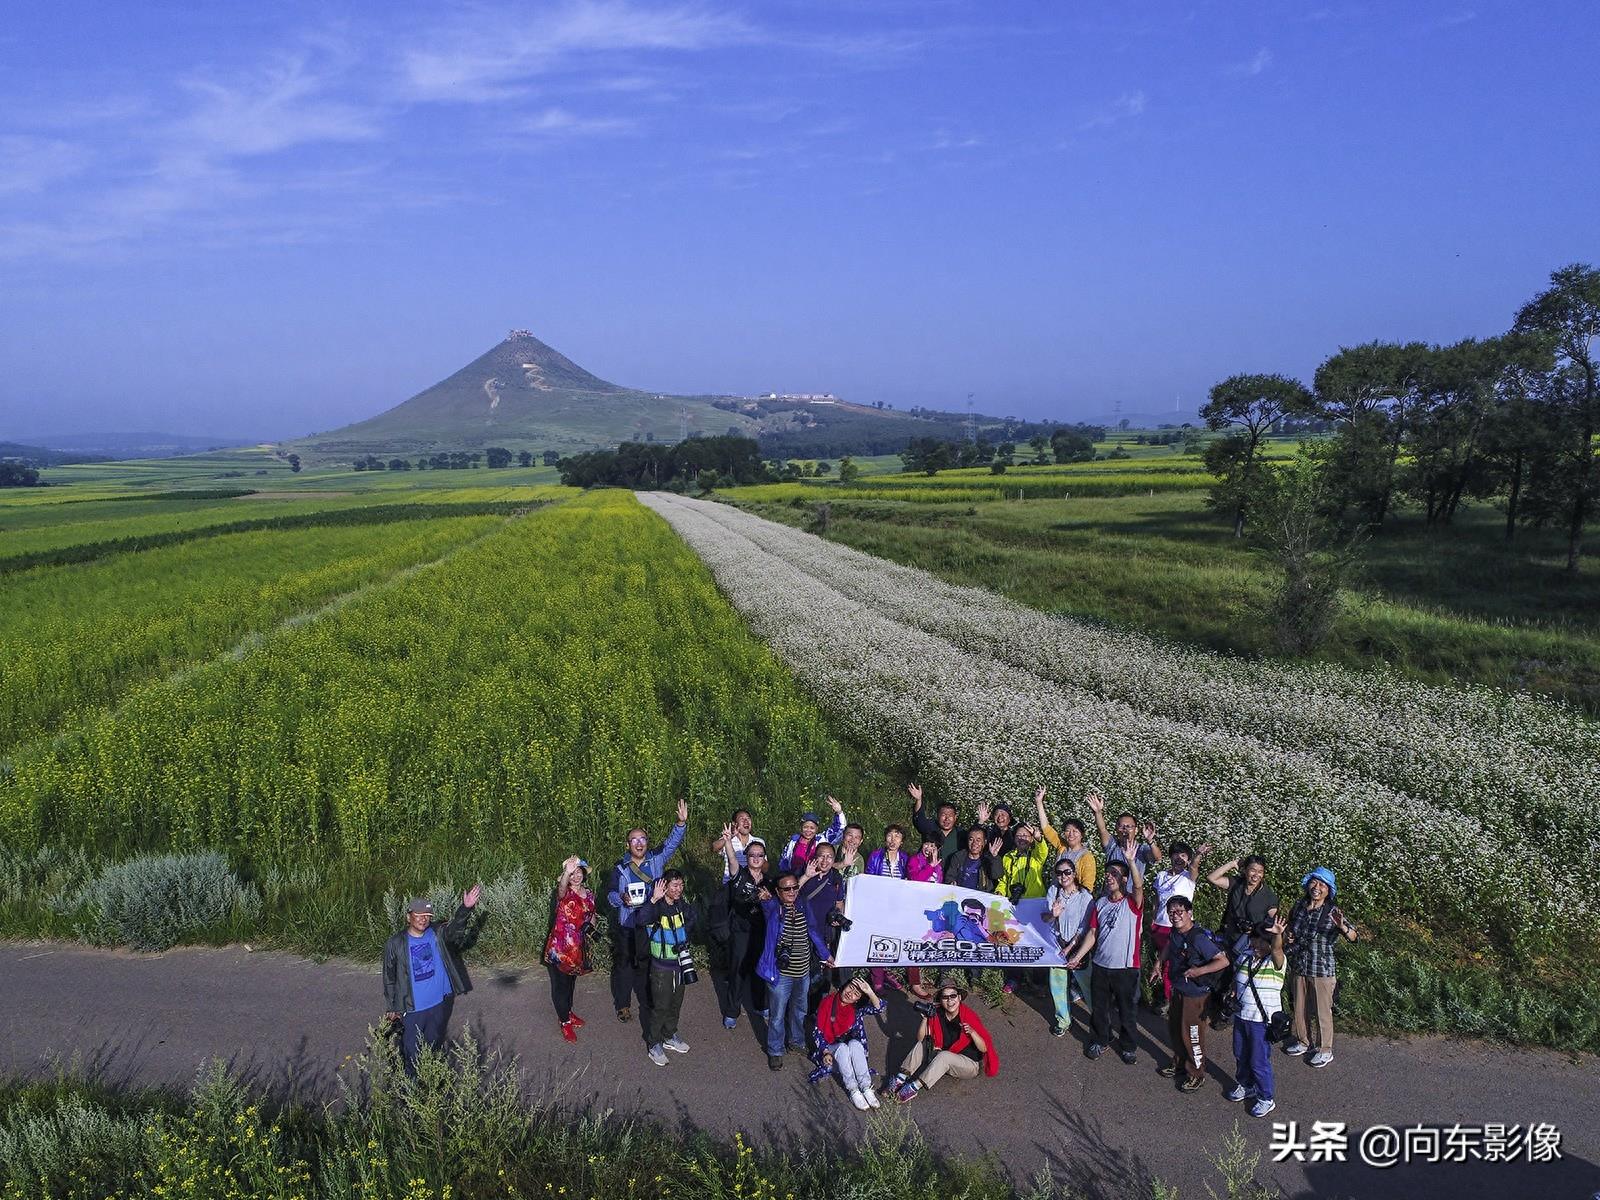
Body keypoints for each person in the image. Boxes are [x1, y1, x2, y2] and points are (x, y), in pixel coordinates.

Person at [382, 886, 484, 1076]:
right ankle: (409, 1095)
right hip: (413, 1009)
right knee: (411, 1054)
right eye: (419, 915)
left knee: (433, 1046)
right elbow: (389, 976)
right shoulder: (395, 944)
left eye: (427, 915)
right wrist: (392, 1007)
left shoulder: (438, 933)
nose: (424, 919)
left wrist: (465, 908)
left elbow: (455, 931)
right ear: (408, 917)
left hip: (438, 1004)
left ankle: (430, 1086)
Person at [607, 799, 689, 1024]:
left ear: (647, 842)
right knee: (624, 964)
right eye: (634, 840)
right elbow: (610, 894)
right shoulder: (620, 868)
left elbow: (671, 844)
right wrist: (621, 899)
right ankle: (623, 1004)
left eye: (642, 839)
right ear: (627, 845)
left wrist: (680, 824)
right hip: (628, 923)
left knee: (647, 963)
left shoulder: (656, 859)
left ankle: (647, 999)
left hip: (652, 921)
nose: (639, 843)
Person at [1067, 859, 1144, 1064]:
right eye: (1108, 873)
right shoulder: (1100, 903)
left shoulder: (1132, 903)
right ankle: (1101, 1039)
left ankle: (1128, 1046)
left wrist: (1130, 861)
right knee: (1099, 1009)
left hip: (1126, 968)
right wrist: (1077, 957)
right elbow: (1092, 933)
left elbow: (1138, 886)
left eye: (1115, 873)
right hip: (1101, 966)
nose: (1109, 876)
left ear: (1124, 879)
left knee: (1127, 1011)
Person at [1151, 895, 1227, 1092]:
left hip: (1195, 994)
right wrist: (1159, 964)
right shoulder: (1176, 933)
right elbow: (1169, 946)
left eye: (1179, 912)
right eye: (1171, 912)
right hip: (1178, 989)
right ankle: (1179, 1063)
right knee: (1175, 1029)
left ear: (1190, 913)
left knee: (1192, 1034)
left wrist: (1199, 971)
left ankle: (1196, 1073)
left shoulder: (1198, 937)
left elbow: (1222, 961)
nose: (1175, 916)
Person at [1282, 866, 1356, 1067]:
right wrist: (1287, 937)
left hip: (1321, 969)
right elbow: (1290, 930)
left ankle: (1325, 1049)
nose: (1317, 887)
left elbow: (1353, 937)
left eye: (1323, 884)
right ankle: (1303, 1041)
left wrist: (1342, 927)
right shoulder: (1299, 906)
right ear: (1308, 884)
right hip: (1299, 964)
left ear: (1329, 890)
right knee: (1299, 1006)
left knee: (1323, 1011)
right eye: (1314, 882)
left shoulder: (1332, 912)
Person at [759, 872, 833, 1070]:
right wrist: (767, 900)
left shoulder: (802, 904)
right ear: (778, 892)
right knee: (777, 1015)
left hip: (803, 972)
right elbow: (767, 906)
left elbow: (814, 932)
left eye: (795, 888)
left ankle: (796, 1042)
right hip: (780, 973)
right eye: (786, 889)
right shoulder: (774, 908)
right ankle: (775, 1050)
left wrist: (825, 954)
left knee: (800, 1011)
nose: (792, 892)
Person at [885, 980, 999, 1103]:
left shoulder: (969, 1017)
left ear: (959, 997)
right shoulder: (937, 1013)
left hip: (969, 1065)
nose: (950, 1001)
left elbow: (984, 1048)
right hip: (944, 1057)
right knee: (924, 1044)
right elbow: (920, 1039)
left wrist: (973, 1032)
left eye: (953, 996)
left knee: (945, 1056)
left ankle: (913, 1088)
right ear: (940, 1000)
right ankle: (900, 1079)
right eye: (945, 997)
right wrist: (924, 1020)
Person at [637, 869, 697, 1067]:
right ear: (664, 887)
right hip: (661, 967)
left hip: (680, 963)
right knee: (661, 1006)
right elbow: (641, 919)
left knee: (676, 1003)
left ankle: (670, 1034)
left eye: (681, 885)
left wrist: (684, 937)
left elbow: (693, 916)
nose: (679, 889)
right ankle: (654, 1043)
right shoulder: (655, 908)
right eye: (674, 885)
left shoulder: (681, 905)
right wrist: (654, 899)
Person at [1230, 915, 1288, 1118]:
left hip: (1261, 1020)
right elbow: (1238, 978)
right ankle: (1246, 1085)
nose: (1257, 944)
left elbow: (1279, 951)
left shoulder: (1275, 962)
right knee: (1240, 1053)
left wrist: (1278, 936)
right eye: (1255, 939)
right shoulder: (1245, 956)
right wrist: (1234, 992)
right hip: (1241, 1016)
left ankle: (1266, 1097)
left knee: (1258, 1060)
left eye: (1263, 940)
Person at [1149, 841, 1211, 1014]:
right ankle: (1166, 996)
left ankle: (1171, 1000)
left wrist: (1198, 854)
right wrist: (1152, 920)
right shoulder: (1161, 875)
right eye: (1176, 854)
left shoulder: (1188, 876)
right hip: (1160, 926)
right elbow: (1156, 900)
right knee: (1161, 963)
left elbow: (1194, 867)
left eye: (1183, 855)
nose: (1179, 858)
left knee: (1173, 964)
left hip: (1179, 928)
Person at [717, 834, 771, 1029]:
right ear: (746, 857)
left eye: (760, 855)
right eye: (752, 855)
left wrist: (768, 899)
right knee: (737, 971)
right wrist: (728, 842)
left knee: (760, 970)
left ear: (765, 858)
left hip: (761, 932)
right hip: (740, 931)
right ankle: (732, 1011)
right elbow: (732, 860)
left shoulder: (770, 882)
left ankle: (760, 1004)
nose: (756, 858)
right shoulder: (739, 874)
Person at [809, 975, 886, 1109]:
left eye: (856, 994)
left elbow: (879, 1008)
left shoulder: (856, 1010)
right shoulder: (827, 1002)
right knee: (843, 1048)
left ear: (858, 999)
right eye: (850, 988)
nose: (850, 994)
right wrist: (825, 1052)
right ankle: (853, 1090)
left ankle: (866, 1087)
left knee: (855, 1044)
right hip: (830, 1051)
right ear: (844, 986)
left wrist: (870, 992)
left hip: (851, 1053)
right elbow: (817, 1032)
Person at [543, 857, 595, 1042]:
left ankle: (568, 1011)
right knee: (560, 986)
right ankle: (564, 1021)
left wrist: (593, 930)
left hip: (577, 949)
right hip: (560, 948)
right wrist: (566, 872)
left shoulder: (588, 894)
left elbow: (591, 915)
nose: (576, 876)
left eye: (578, 871)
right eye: (572, 873)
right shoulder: (563, 894)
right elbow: (561, 889)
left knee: (571, 983)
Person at [1046, 856, 1094, 1037]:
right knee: (1057, 986)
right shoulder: (1053, 891)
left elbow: (1085, 925)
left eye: (1067, 872)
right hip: (1057, 944)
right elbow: (1046, 918)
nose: (1063, 876)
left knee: (1087, 985)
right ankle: (1063, 1020)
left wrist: (1070, 947)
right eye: (1059, 873)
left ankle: (1097, 1018)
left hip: (1078, 945)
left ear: (1074, 874)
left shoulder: (1084, 896)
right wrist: (1053, 914)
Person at [1207, 854, 1281, 952]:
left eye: (1260, 872)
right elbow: (1212, 878)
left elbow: (1273, 923)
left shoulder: (1269, 896)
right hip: (1229, 938)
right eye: (1253, 870)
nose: (1256, 875)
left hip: (1252, 945)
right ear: (1245, 870)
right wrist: (1232, 864)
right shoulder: (1236, 883)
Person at [1088, 789, 1160, 884]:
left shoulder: (1142, 849)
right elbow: (1102, 830)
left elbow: (1157, 857)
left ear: (1136, 830)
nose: (1125, 829)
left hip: (1132, 896)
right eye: (1121, 826)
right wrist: (1098, 812)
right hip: (1111, 896)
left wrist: (1150, 841)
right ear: (1116, 829)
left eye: (1129, 826)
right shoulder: (1112, 846)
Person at [778, 796, 846, 872]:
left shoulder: (821, 840)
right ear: (801, 827)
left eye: (812, 828)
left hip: (815, 877)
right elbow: (784, 862)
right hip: (796, 878)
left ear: (817, 829)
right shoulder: (793, 842)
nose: (808, 830)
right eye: (805, 827)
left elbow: (839, 830)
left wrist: (839, 812)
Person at [908, 782, 963, 860]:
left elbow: (975, 838)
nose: (946, 819)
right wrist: (918, 800)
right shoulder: (930, 827)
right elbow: (919, 819)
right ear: (937, 816)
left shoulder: (961, 833)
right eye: (943, 815)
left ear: (955, 818)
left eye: (950, 816)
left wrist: (980, 822)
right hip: (927, 870)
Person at [942, 826, 999, 892]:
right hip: (960, 895)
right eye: (971, 839)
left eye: (978, 840)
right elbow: (949, 876)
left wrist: (995, 857)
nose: (974, 843)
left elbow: (997, 875)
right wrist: (951, 882)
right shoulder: (958, 856)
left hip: (981, 896)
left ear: (984, 842)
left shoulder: (989, 858)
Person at [712, 808, 761, 880]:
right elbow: (714, 847)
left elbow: (765, 868)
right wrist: (730, 837)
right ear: (734, 823)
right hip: (730, 885)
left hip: (752, 885)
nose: (746, 821)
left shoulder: (759, 841)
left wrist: (757, 856)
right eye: (742, 819)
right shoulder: (728, 839)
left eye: (748, 818)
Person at [1056, 817, 1097, 893]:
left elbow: (1087, 886)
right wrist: (1039, 805)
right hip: (1057, 895)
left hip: (1075, 898)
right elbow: (1046, 829)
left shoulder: (1087, 857)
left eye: (1075, 831)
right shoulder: (1062, 847)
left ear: (1082, 835)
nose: (1071, 834)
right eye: (1067, 831)